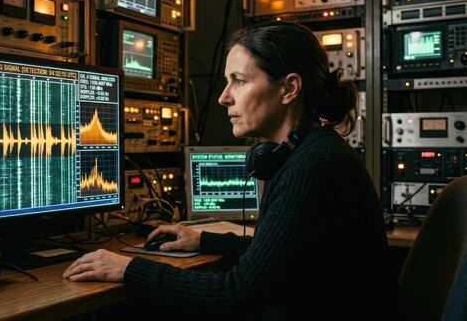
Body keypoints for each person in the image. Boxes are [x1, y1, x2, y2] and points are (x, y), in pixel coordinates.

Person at [63, 21, 399, 319]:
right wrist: (204, 239)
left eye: (238, 81)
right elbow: (283, 254)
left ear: (289, 88)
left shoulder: (313, 167)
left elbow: (236, 294)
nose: (224, 97)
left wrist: (129, 267)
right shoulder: (315, 151)